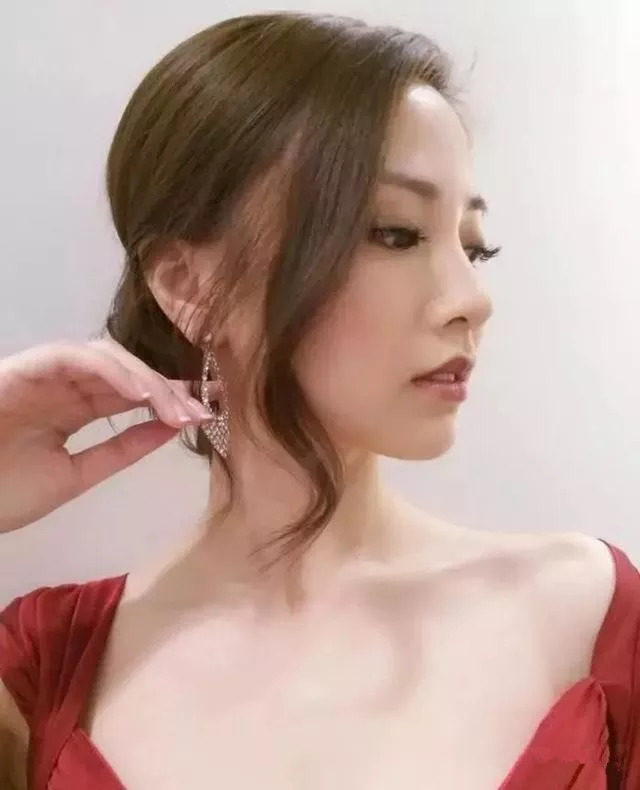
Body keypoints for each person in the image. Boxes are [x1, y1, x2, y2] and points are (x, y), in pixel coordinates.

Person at [0, 10, 638, 790]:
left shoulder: (585, 610)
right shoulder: (45, 662)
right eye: (396, 233)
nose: (472, 299)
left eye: (473, 246)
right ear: (188, 286)